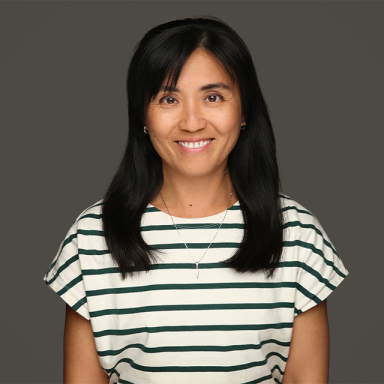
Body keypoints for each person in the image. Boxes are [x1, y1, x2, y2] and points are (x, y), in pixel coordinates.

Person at [43, 16, 349, 384]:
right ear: (143, 113)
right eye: (169, 98)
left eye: (213, 97)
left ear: (244, 111)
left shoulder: (296, 233)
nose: (191, 122)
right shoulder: (92, 235)